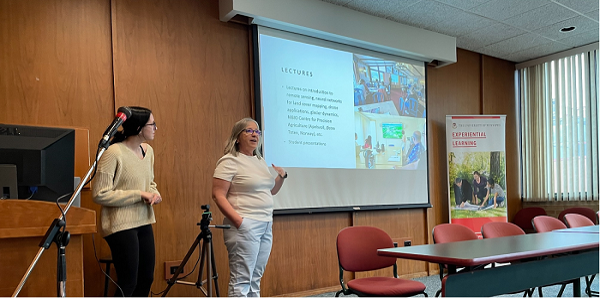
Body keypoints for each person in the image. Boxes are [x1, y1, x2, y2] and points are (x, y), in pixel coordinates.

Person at [212, 118, 287, 297]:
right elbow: (218, 195)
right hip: (245, 225)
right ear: (237, 137)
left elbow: (271, 191)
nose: (255, 134)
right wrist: (240, 222)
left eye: (257, 131)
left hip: (266, 224)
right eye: (249, 131)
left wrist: (281, 177)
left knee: (255, 279)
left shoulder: (259, 161)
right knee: (241, 280)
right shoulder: (229, 161)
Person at [92, 106, 162, 297]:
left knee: (146, 278)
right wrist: (139, 194)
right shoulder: (113, 153)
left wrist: (154, 193)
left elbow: (150, 182)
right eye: (152, 124)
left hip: (144, 220)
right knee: (128, 282)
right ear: (139, 128)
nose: (155, 128)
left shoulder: (149, 151)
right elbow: (99, 194)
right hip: (119, 225)